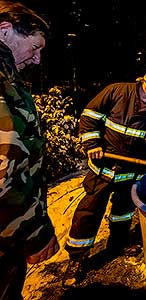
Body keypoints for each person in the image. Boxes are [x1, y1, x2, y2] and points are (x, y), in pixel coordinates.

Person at [62, 61, 146, 287]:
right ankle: (77, 259)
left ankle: (117, 244)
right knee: (89, 211)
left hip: (131, 173)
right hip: (103, 167)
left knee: (123, 213)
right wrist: (92, 142)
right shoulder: (117, 91)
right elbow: (89, 116)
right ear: (145, 78)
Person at [0, 2, 60, 299]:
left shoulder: (8, 79)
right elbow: (3, 176)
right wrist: (34, 234)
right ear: (4, 31)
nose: (37, 60)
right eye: (34, 47)